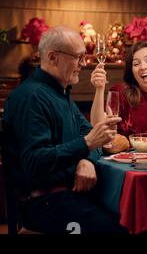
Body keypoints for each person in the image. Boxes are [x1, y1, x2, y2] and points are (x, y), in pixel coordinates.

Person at [2, 26, 126, 234]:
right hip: (44, 205)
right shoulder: (31, 98)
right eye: (78, 57)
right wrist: (86, 145)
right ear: (52, 57)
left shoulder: (60, 94)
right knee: (115, 229)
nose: (83, 64)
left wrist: (87, 159)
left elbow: (94, 137)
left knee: (137, 219)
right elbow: (35, 161)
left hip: (69, 197)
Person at [90, 41, 147, 136]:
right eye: (136, 64)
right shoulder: (120, 92)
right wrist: (99, 89)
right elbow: (97, 126)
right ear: (132, 70)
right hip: (126, 151)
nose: (143, 67)